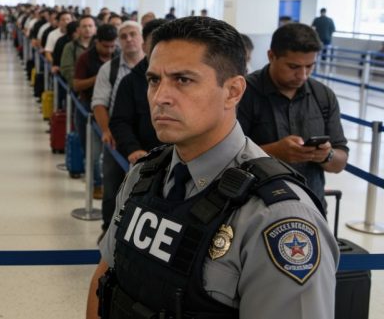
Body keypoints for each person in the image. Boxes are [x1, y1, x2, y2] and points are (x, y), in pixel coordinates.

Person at [87, 16, 338, 319]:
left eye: (183, 80)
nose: (160, 98)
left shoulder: (275, 217)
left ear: (233, 91)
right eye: (154, 80)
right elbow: (105, 279)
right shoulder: (144, 175)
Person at [238, 23, 348, 204]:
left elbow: (340, 162)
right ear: (271, 56)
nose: (303, 75)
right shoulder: (243, 94)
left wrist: (325, 155)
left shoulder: (323, 96)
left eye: (309, 66)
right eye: (293, 66)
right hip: (254, 208)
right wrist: (274, 152)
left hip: (311, 206)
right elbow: (224, 158)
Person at [90, 21, 144, 233]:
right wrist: (106, 130)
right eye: (124, 36)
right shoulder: (109, 69)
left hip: (144, 138)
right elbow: (99, 103)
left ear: (142, 38)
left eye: (133, 34)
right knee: (112, 186)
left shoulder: (154, 68)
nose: (129, 39)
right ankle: (108, 231)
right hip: (117, 137)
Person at [110, 19, 167, 166]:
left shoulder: (186, 79)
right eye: (155, 44)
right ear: (144, 47)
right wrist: (133, 149)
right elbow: (120, 121)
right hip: (144, 159)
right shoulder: (129, 82)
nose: (161, 49)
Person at [73, 24, 119, 198]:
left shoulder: (118, 57)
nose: (109, 50)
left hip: (112, 109)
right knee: (92, 151)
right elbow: (77, 84)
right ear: (97, 42)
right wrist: (100, 77)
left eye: (112, 46)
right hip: (87, 108)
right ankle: (96, 184)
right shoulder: (85, 58)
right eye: (105, 46)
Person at [60, 15, 96, 86]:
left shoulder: (99, 46)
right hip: (78, 84)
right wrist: (79, 83)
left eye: (90, 26)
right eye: (84, 26)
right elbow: (67, 69)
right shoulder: (70, 46)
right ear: (78, 30)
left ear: (95, 29)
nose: (87, 29)